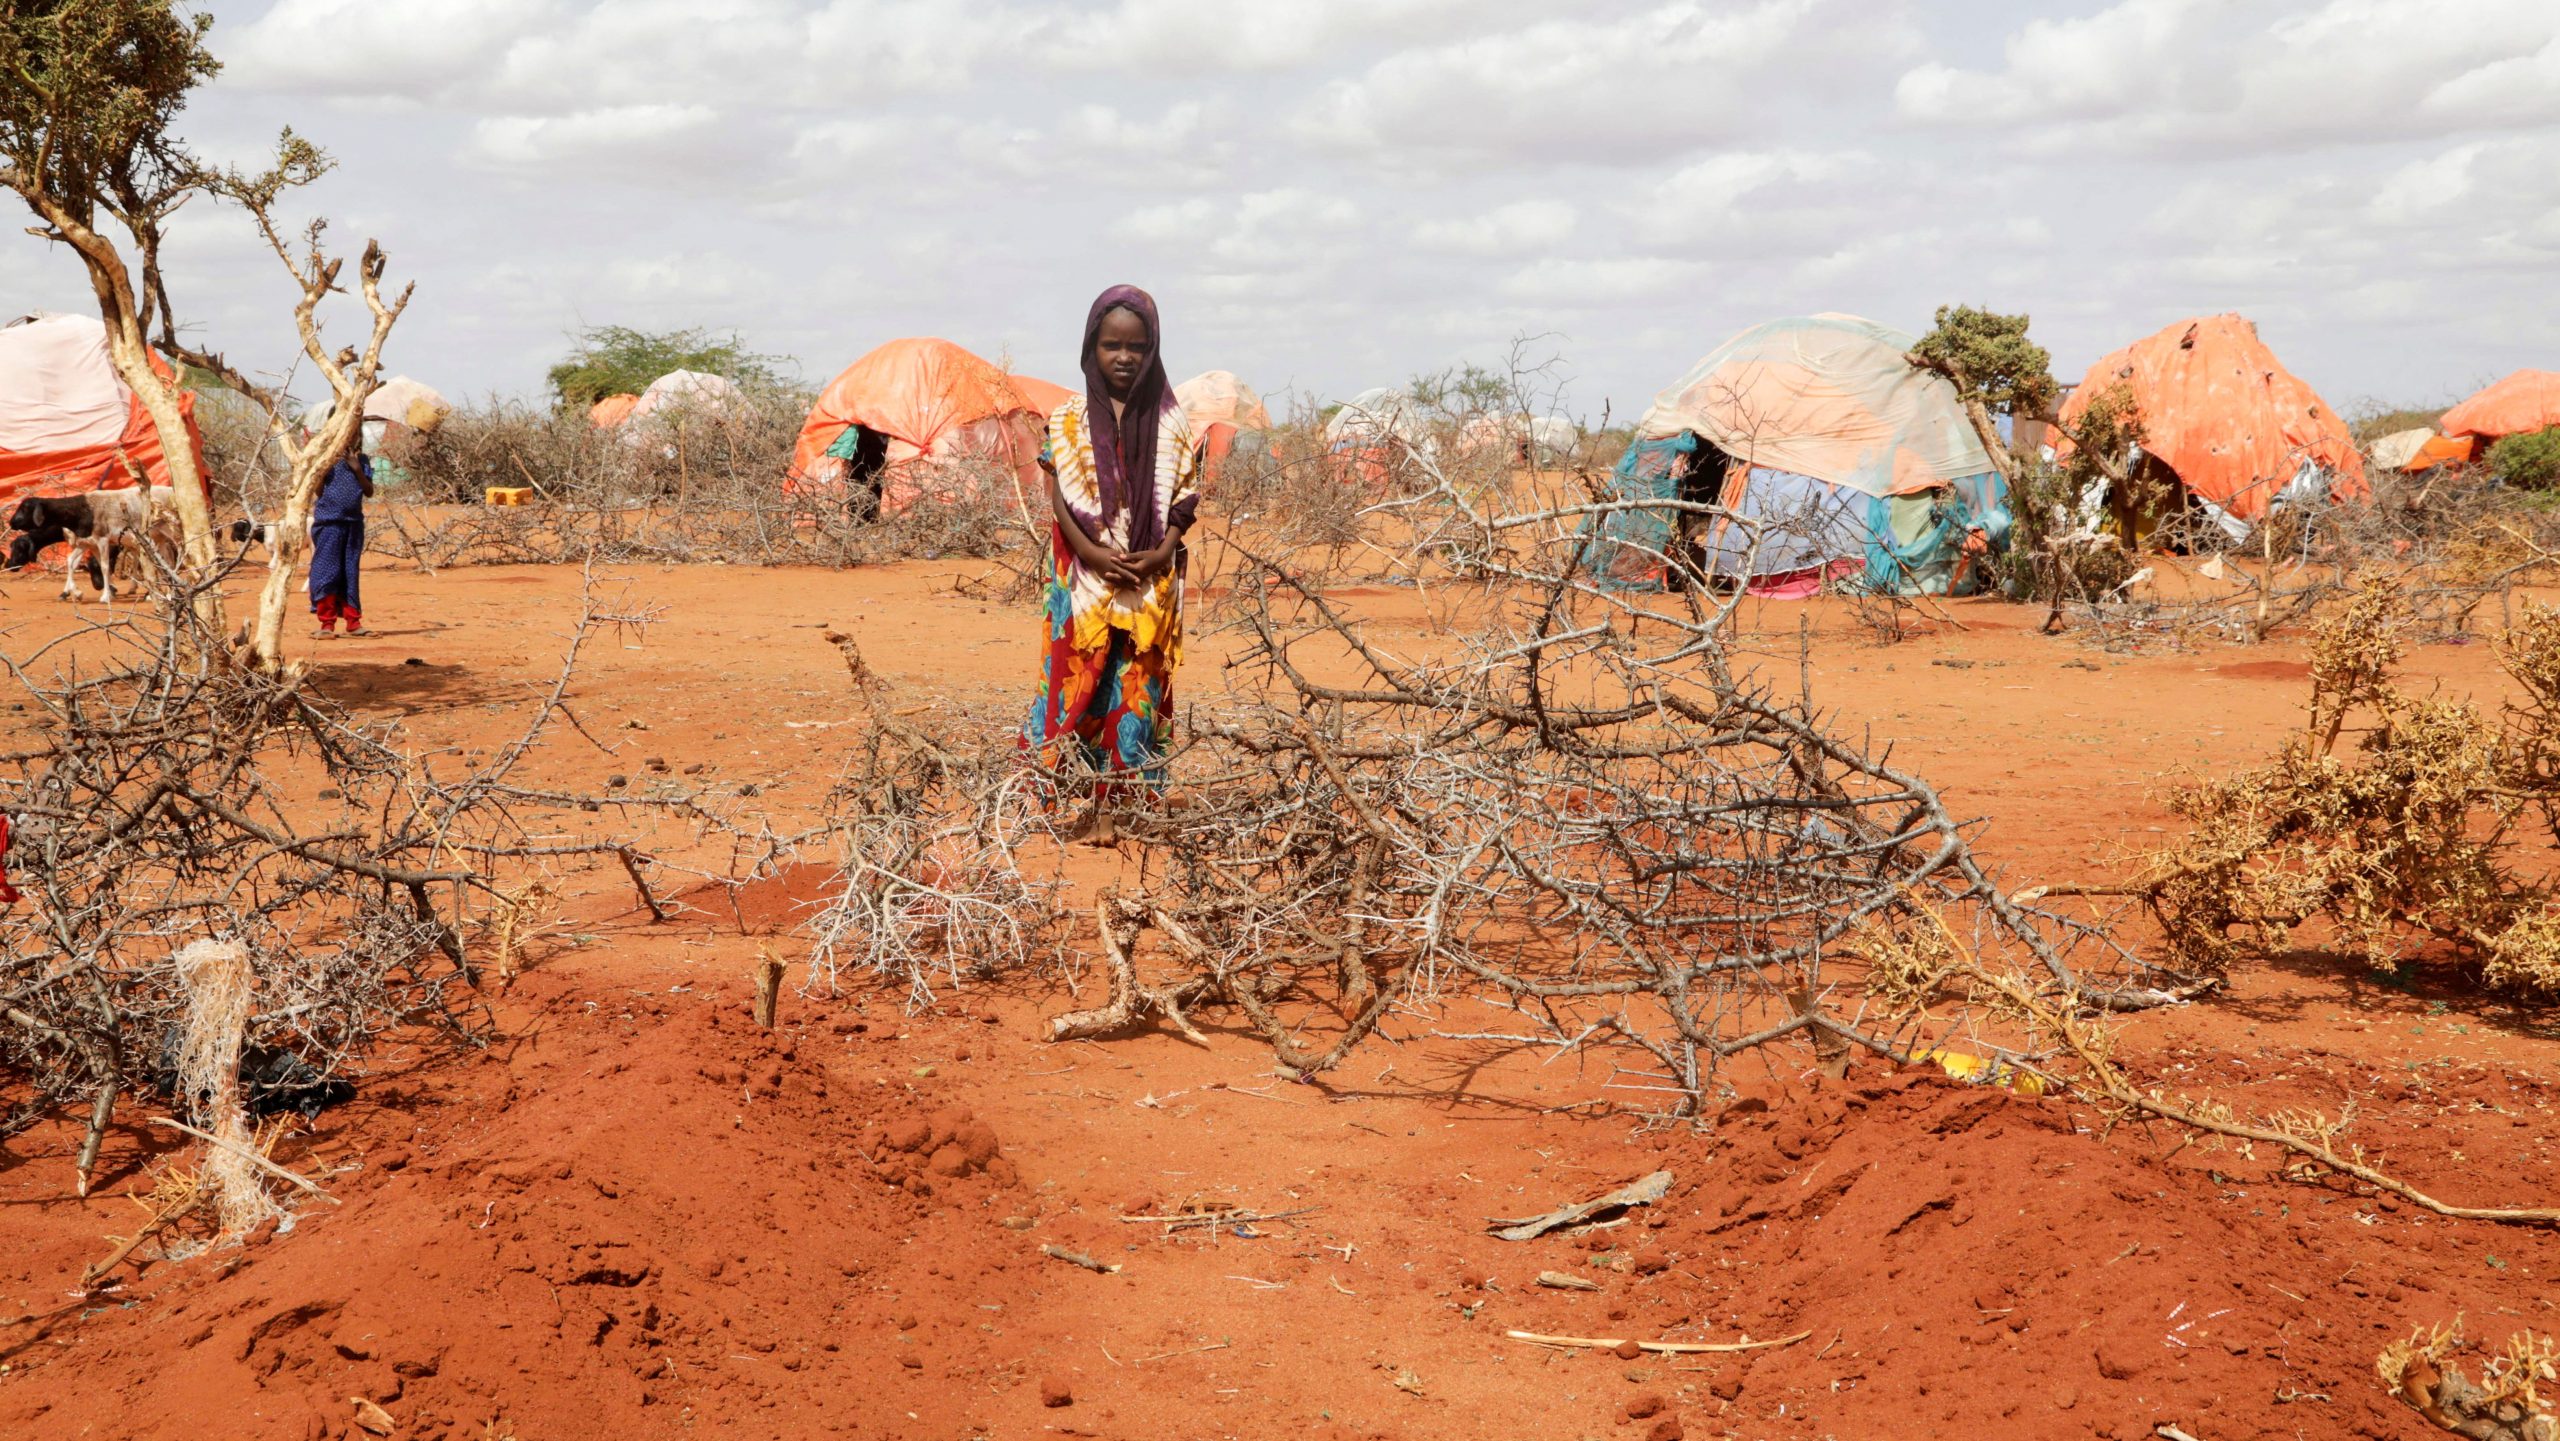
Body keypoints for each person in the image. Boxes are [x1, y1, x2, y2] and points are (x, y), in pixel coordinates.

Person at [1020, 286, 1199, 843]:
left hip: (1152, 583)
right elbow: (1059, 500)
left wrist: (1163, 551)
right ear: (1091, 348)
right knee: (1080, 688)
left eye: (1138, 347)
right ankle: (1044, 802)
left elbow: (1183, 504)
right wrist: (1095, 554)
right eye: (1112, 346)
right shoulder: (1067, 419)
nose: (1125, 357)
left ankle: (1117, 814)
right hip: (1085, 582)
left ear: (1154, 350)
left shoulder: (1173, 422)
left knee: (1137, 694)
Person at [308, 429, 375, 637]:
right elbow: (318, 490)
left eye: (354, 431)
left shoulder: (361, 460)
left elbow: (369, 491)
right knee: (326, 572)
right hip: (329, 523)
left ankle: (353, 622)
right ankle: (326, 624)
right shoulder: (325, 458)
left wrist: (357, 469)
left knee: (349, 573)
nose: (350, 436)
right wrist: (324, 465)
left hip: (353, 524)